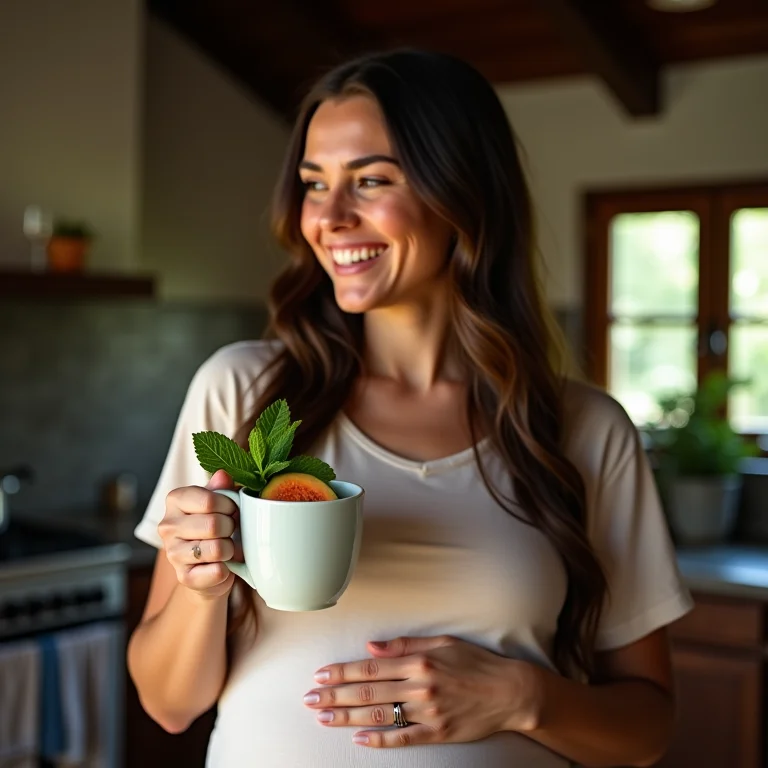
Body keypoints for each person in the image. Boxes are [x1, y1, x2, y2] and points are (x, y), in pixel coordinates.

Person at [127, 48, 693, 767]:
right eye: (313, 184)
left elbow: (646, 730)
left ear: (463, 192)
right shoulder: (244, 393)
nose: (328, 218)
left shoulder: (582, 429)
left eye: (370, 181)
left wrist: (526, 696)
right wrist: (202, 589)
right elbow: (168, 704)